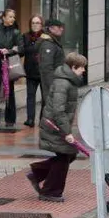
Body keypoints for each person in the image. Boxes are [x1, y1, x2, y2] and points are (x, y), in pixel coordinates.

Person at [26, 52, 87, 202]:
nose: (84, 70)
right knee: (64, 156)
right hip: (55, 126)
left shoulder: (68, 81)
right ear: (73, 67)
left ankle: (38, 173)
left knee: (68, 154)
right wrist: (66, 132)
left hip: (56, 125)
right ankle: (50, 191)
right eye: (82, 68)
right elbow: (58, 110)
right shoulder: (63, 83)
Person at [0, 8, 22, 128]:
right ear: (4, 17)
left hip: (9, 66)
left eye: (13, 17)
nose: (12, 19)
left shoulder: (16, 32)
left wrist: (9, 51)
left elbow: (21, 48)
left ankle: (10, 119)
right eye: (10, 16)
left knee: (9, 92)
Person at [21, 15, 44, 127]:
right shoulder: (25, 36)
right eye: (33, 23)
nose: (35, 25)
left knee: (45, 97)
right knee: (30, 96)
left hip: (43, 72)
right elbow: (22, 51)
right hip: (30, 71)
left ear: (41, 24)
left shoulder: (46, 37)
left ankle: (42, 120)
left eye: (38, 23)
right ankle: (30, 119)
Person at [38, 19, 66, 96]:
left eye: (62, 27)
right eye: (59, 27)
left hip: (57, 81)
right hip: (53, 84)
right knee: (53, 106)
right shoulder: (48, 44)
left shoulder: (53, 41)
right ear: (50, 28)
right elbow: (46, 68)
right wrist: (52, 86)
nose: (62, 29)